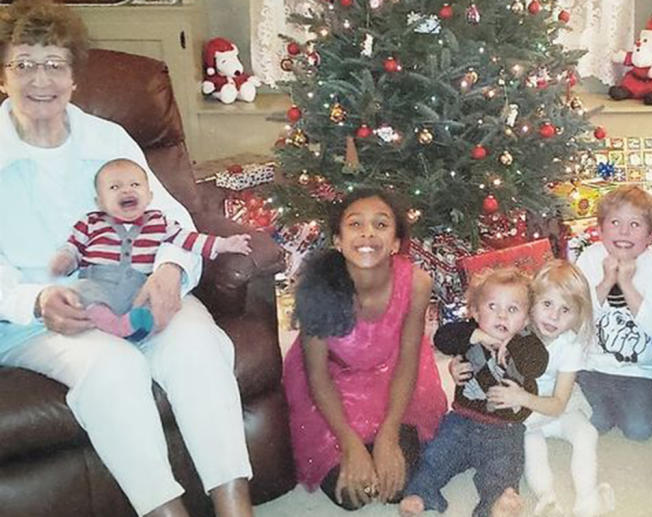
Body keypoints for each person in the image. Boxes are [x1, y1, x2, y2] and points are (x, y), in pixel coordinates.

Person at [0, 1, 255, 516]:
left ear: (75, 76)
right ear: (2, 73)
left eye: (55, 64)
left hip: (136, 292)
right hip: (37, 318)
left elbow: (174, 221)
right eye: (24, 63)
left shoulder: (108, 137)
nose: (41, 79)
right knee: (113, 368)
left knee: (198, 345)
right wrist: (37, 298)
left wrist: (169, 270)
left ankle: (236, 510)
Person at [282, 188, 447, 510]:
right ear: (338, 240)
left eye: (381, 225)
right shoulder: (315, 289)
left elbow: (409, 361)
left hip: (395, 375)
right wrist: (350, 445)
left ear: (397, 243)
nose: (368, 233)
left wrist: (388, 435)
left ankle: (386, 439)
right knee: (352, 496)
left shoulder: (416, 283)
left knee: (395, 487)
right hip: (332, 381)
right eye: (355, 224)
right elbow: (317, 376)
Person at [400, 267, 549, 517]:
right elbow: (441, 339)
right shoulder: (467, 332)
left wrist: (511, 343)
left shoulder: (526, 341)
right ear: (476, 311)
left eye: (513, 309)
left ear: (525, 319)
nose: (502, 315)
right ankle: (420, 493)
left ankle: (498, 502)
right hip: (461, 420)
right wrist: (474, 336)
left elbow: (538, 364)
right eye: (492, 307)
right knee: (436, 454)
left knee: (503, 466)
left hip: (505, 428)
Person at [49, 158, 252, 341]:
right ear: (99, 202)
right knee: (80, 290)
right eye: (114, 187)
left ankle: (137, 327)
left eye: (135, 185)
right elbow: (74, 246)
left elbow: (187, 239)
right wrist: (65, 258)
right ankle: (109, 322)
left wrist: (223, 244)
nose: (126, 190)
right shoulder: (90, 222)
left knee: (154, 303)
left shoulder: (159, 222)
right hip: (99, 281)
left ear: (149, 196)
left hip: (139, 284)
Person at [486, 259, 615, 517]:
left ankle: (586, 498)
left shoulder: (570, 345)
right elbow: (476, 344)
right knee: (531, 445)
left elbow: (558, 404)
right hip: (525, 413)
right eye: (547, 304)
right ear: (532, 304)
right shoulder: (516, 330)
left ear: (577, 315)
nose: (554, 316)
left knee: (587, 434)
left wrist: (522, 396)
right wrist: (457, 363)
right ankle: (547, 500)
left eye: (565, 310)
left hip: (556, 407)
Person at [574, 185, 652, 442]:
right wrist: (606, 282)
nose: (624, 231)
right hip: (592, 366)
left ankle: (639, 398)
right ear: (600, 229)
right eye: (615, 222)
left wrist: (626, 283)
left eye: (635, 224)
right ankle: (608, 405)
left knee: (638, 430)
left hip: (637, 370)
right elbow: (578, 319)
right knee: (594, 423)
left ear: (650, 235)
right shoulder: (589, 258)